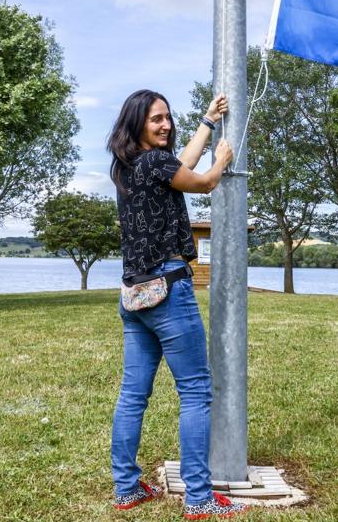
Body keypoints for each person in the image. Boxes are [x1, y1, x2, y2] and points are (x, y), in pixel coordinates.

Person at [107, 90, 250, 519]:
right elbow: (203, 181)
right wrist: (222, 158)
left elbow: (181, 167)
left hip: (134, 294)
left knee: (133, 396)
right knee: (195, 391)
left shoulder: (128, 166)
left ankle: (127, 488)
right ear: (137, 125)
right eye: (156, 120)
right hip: (168, 292)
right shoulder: (153, 162)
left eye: (168, 118)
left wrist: (206, 121)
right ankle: (200, 497)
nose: (165, 125)